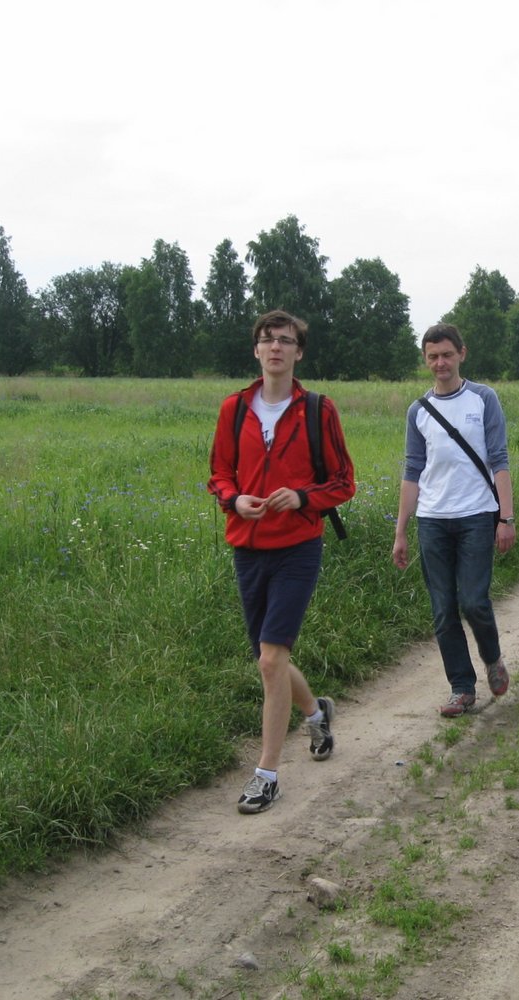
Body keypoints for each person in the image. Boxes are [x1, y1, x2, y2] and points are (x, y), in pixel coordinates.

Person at [208, 309, 356, 814]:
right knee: (269, 661)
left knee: (272, 660)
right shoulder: (234, 409)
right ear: (256, 349)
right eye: (267, 339)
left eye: (286, 340)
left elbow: (343, 482)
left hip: (297, 547)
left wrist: (302, 497)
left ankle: (266, 775)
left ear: (299, 352)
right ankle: (316, 714)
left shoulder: (318, 410)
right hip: (248, 547)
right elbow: (219, 474)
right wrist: (234, 499)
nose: (276, 347)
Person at [392, 323, 516, 717]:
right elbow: (413, 470)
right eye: (432, 356)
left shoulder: (483, 399)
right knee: (443, 609)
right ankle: (462, 688)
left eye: (447, 354)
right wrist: (401, 531)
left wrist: (506, 518)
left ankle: (492, 658)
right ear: (425, 359)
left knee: (474, 602)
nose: (440, 363)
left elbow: (499, 459)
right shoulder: (418, 411)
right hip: (432, 520)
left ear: (462, 354)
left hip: (477, 516)